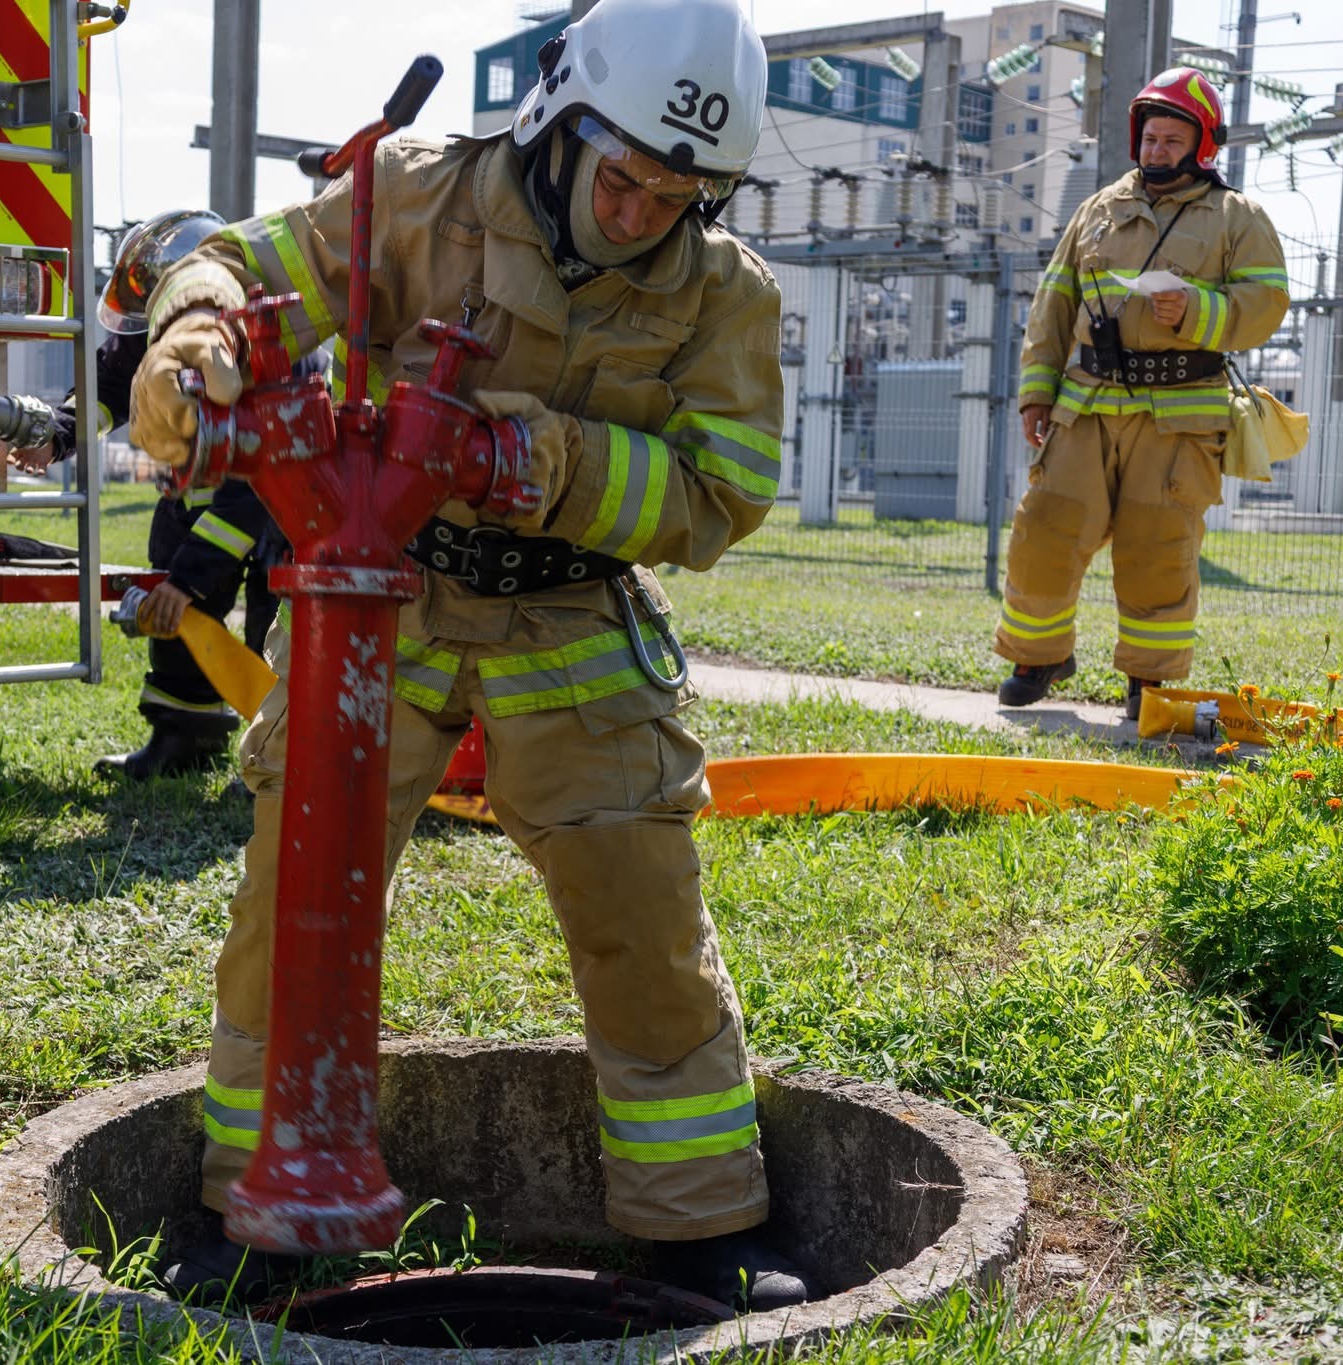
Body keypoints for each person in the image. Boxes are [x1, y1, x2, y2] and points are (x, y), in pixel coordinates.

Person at [128, 0, 807, 1312]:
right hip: (393, 608)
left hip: (575, 621)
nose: (640, 212)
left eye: (678, 193)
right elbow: (253, 265)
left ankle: (696, 1222)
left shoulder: (724, 293)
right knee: (294, 900)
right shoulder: (420, 199)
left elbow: (723, 492)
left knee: (641, 916)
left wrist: (529, 462)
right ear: (561, 126)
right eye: (622, 176)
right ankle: (254, 1209)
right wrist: (195, 338)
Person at [996, 67, 1290, 720]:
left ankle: (1148, 682)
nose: (1157, 150)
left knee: (1158, 546)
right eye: (1150, 138)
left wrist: (1195, 309)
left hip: (1180, 418)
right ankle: (1038, 655)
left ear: (1201, 145)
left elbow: (1267, 302)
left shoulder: (1237, 217)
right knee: (1044, 528)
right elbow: (1054, 302)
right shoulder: (1097, 209)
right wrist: (1036, 395)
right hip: (1087, 404)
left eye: (1171, 140)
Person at [48, 210, 291, 779]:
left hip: (276, 503)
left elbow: (249, 490)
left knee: (272, 627)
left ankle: (281, 763)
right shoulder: (167, 328)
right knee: (176, 608)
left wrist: (189, 582)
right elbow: (110, 382)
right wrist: (56, 434)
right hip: (198, 494)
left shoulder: (259, 337)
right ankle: (187, 734)